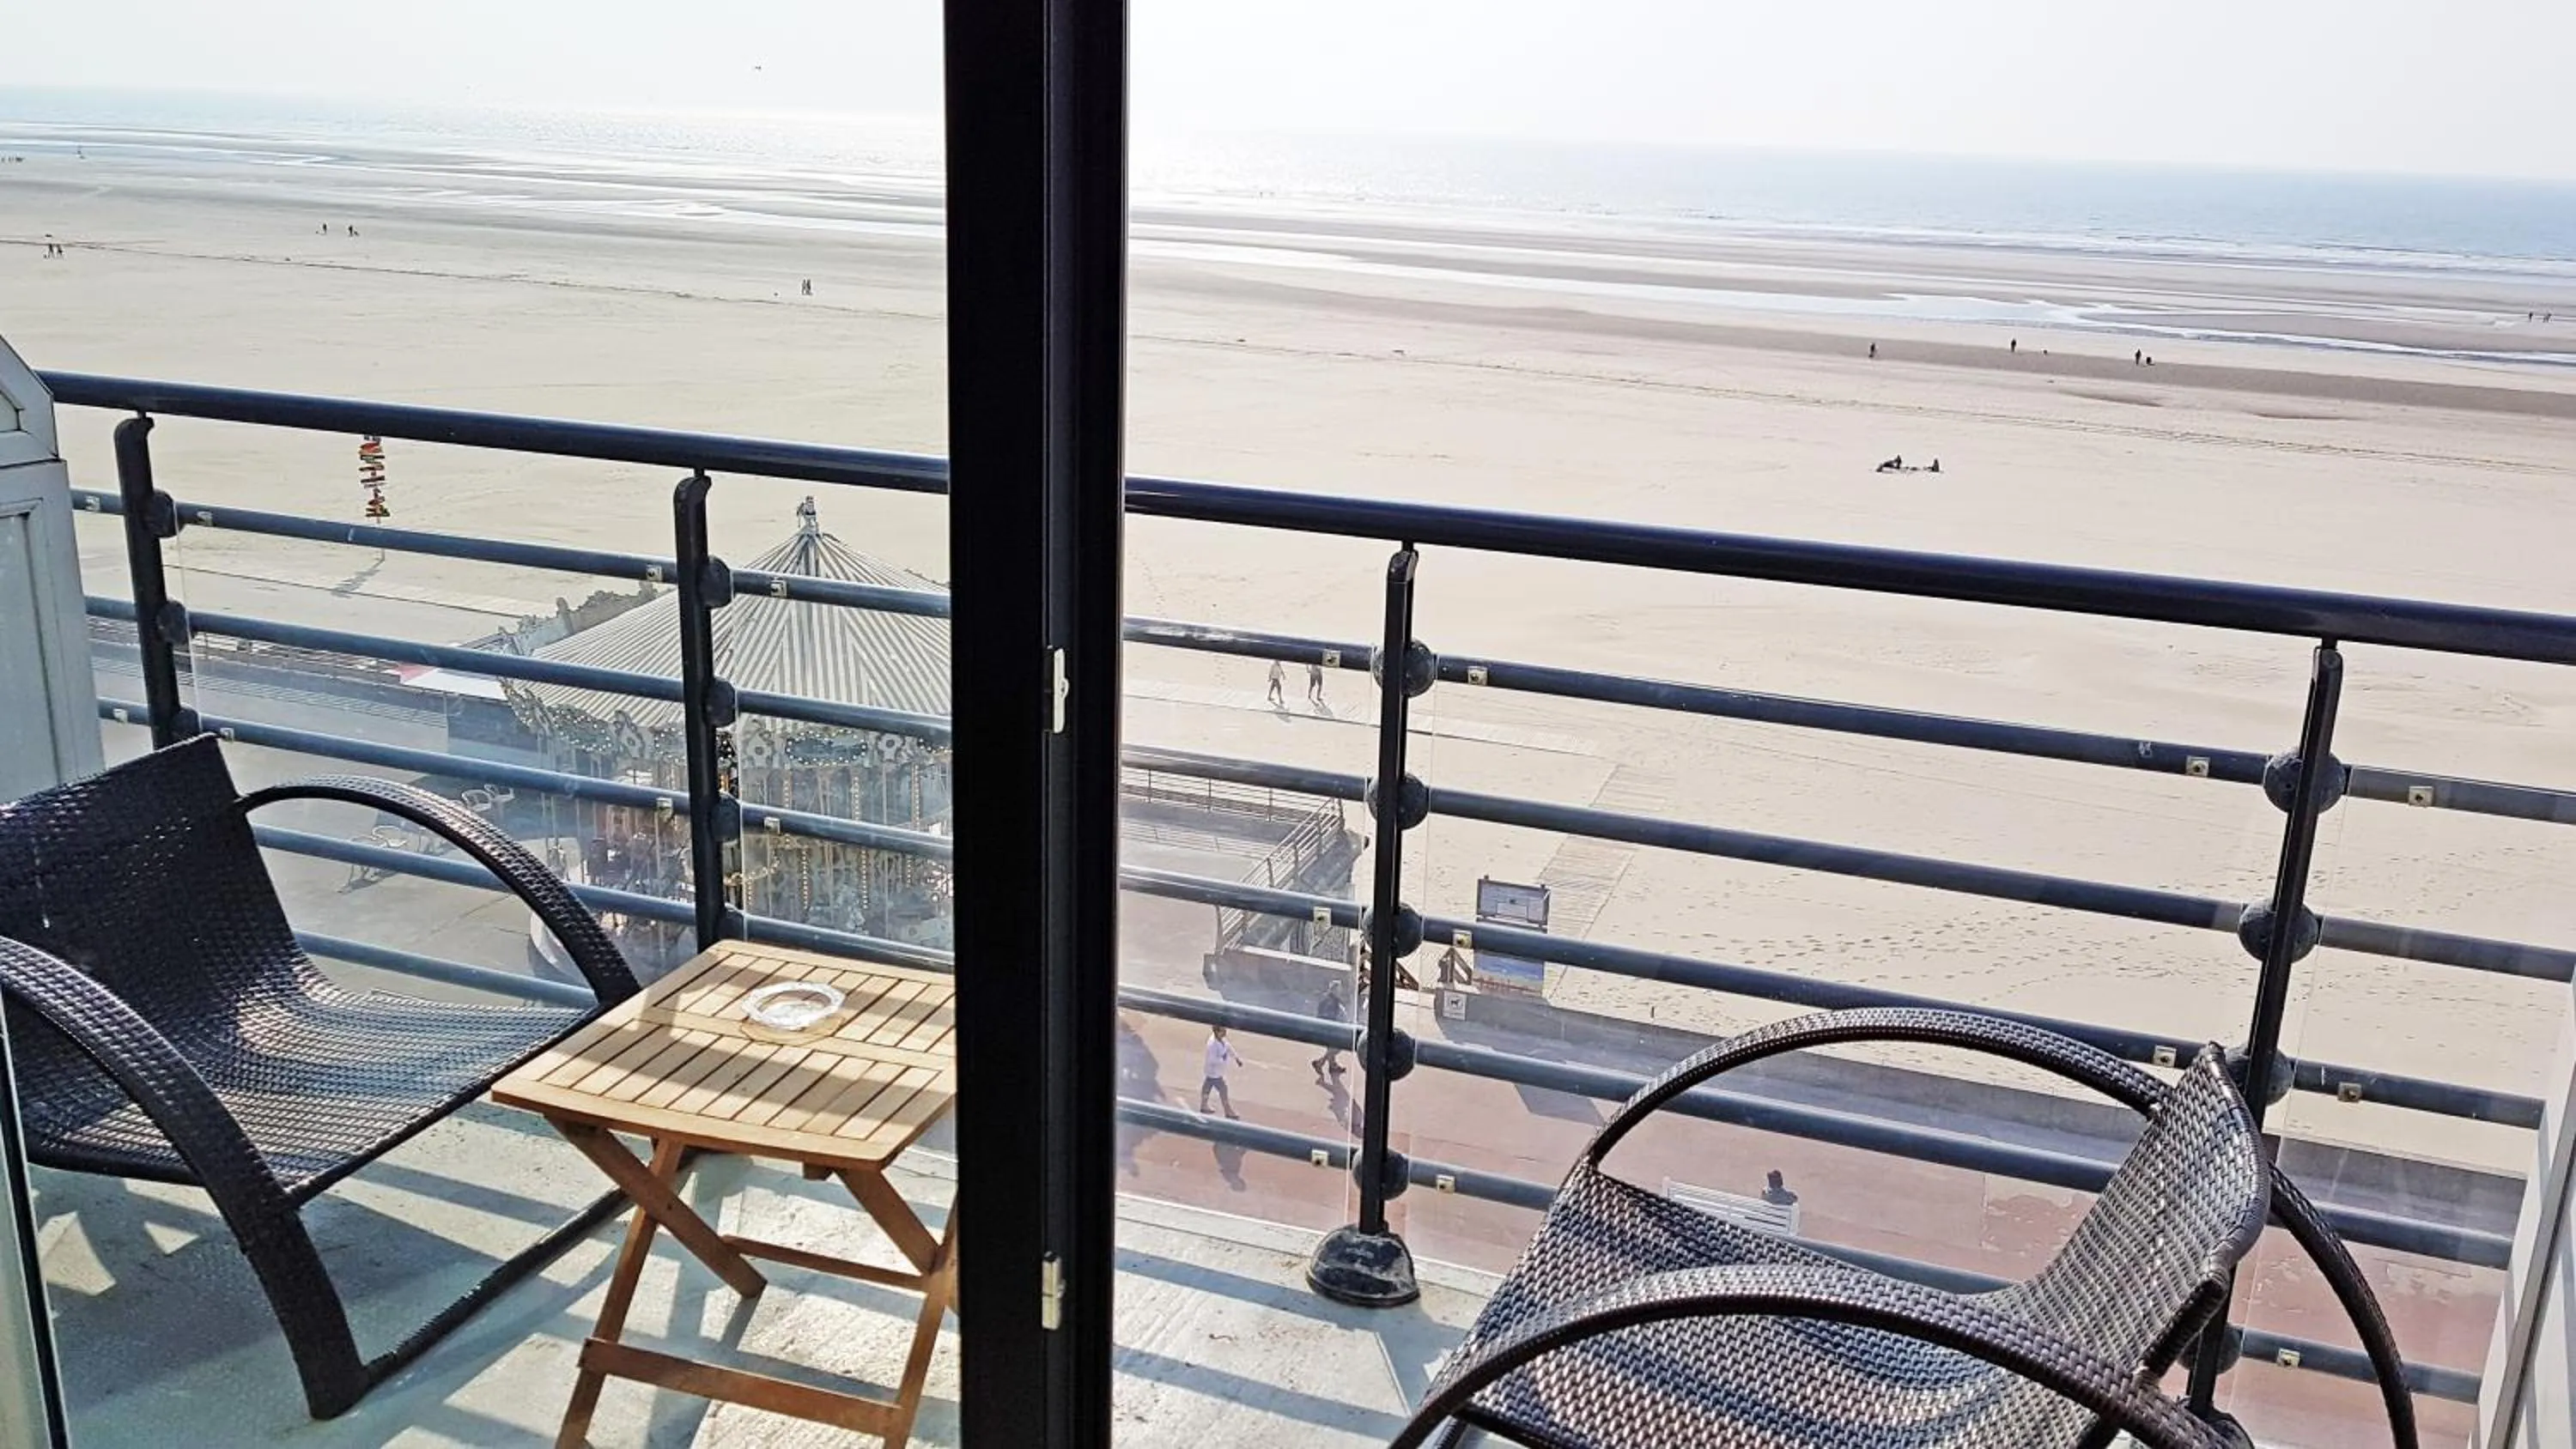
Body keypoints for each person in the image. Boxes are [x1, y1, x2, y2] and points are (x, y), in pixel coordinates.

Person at [1200, 1026, 1243, 1119]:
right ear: (1216, 1032)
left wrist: (1236, 1058)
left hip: (1215, 1071)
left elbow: (1228, 1047)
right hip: (1214, 1072)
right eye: (1222, 1031)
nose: (1224, 1033)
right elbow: (1212, 1060)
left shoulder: (1222, 1040)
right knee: (1223, 1089)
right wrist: (1222, 1059)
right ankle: (1228, 1111)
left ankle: (1204, 1105)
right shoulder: (1212, 1044)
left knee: (1207, 1087)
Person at [1311, 979, 1348, 1077]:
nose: (1340, 991)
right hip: (1328, 1030)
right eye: (1339, 989)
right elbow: (1329, 1017)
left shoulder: (1328, 999)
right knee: (1338, 1046)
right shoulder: (1331, 1001)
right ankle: (1320, 1063)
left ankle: (1333, 1066)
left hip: (1326, 1028)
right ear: (1334, 990)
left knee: (1332, 1048)